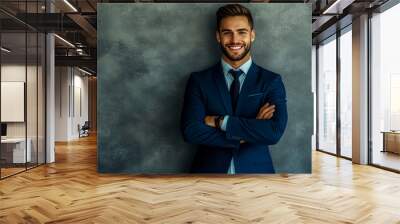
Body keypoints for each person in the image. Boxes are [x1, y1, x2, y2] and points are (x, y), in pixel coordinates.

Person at [180, 4, 288, 173]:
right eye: (227, 32)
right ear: (218, 36)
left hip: (257, 174)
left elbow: (273, 132)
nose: (234, 40)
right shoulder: (199, 81)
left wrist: (220, 122)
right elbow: (191, 131)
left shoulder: (271, 81)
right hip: (207, 175)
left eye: (242, 32)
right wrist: (250, 132)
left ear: (252, 35)